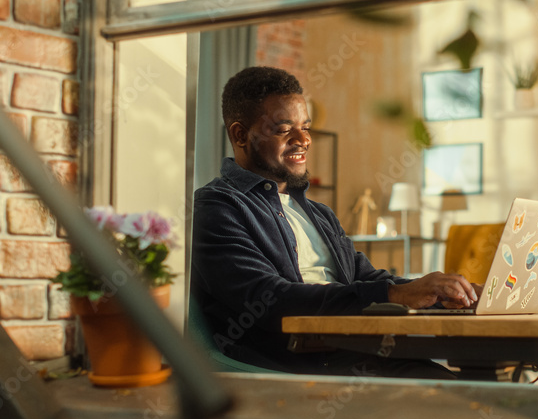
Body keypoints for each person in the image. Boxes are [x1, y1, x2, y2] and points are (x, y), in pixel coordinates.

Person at [190, 66, 479, 379]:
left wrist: (448, 295)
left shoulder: (319, 214)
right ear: (240, 134)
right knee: (457, 393)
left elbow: (366, 279)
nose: (303, 140)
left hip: (355, 354)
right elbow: (269, 299)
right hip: (294, 368)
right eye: (284, 129)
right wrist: (393, 294)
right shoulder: (217, 207)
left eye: (306, 127)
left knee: (468, 386)